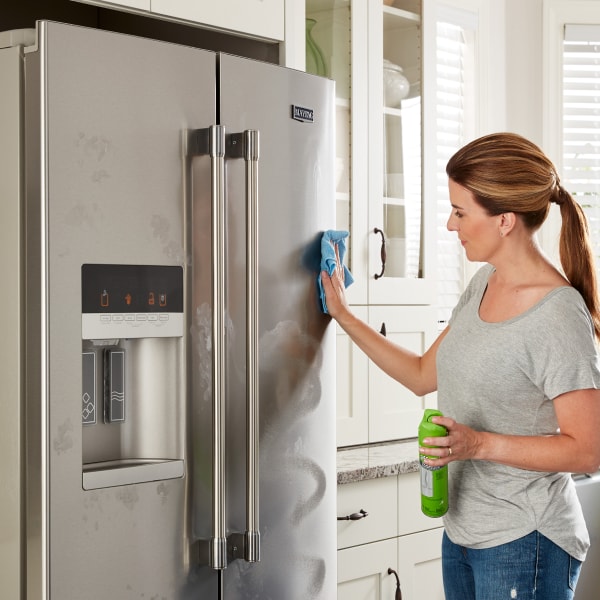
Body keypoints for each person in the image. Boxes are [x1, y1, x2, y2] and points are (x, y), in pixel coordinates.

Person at [321, 132, 600, 600]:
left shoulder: (557, 314)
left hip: (526, 539)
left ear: (505, 220)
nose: (451, 225)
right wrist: (344, 316)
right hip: (464, 532)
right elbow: (420, 375)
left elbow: (588, 450)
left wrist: (478, 443)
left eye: (460, 211)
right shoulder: (484, 283)